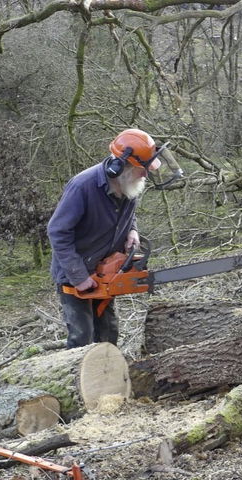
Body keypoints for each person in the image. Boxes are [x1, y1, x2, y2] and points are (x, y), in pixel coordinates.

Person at [47, 128, 161, 348]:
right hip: (74, 272)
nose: (146, 174)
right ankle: (75, 379)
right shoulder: (83, 187)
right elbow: (57, 231)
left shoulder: (128, 185)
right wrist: (79, 277)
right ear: (122, 167)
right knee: (82, 336)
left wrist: (132, 230)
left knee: (109, 331)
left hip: (104, 270)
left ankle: (110, 377)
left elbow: (128, 216)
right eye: (142, 169)